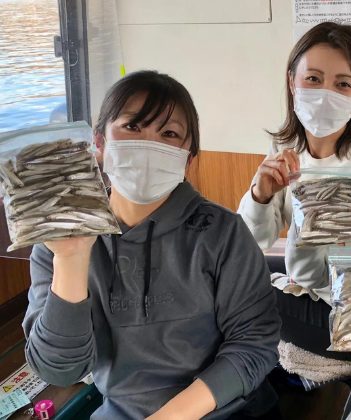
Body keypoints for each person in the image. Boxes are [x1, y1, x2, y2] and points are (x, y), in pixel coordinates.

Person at [23, 70, 282, 420]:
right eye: (133, 127)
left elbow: (255, 345)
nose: (149, 143)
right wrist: (72, 257)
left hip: (227, 410)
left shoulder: (223, 232)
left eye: (169, 133)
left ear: (188, 158)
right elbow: (59, 371)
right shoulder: (57, 243)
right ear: (99, 143)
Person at [237, 22, 351, 361]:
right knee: (231, 269)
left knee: (233, 291)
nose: (325, 93)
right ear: (292, 82)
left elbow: (332, 280)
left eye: (343, 84)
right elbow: (255, 239)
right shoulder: (288, 146)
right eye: (313, 79)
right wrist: (261, 195)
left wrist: (287, 281)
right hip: (319, 288)